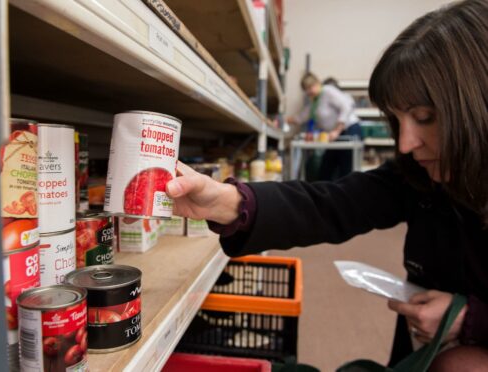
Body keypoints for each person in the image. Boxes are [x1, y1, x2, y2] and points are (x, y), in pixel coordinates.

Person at [166, 0, 488, 369]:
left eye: (425, 118)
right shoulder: (419, 178)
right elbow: (333, 203)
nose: (405, 144)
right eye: (398, 122)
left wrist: (471, 322)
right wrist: (230, 202)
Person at [288, 72, 363, 181]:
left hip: (349, 130)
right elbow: (301, 117)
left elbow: (346, 106)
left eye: (311, 87)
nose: (309, 91)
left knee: (346, 171)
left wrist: (337, 131)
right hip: (335, 135)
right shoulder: (315, 102)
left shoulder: (328, 91)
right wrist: (282, 120)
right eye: (306, 89)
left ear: (318, 83)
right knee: (326, 169)